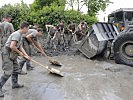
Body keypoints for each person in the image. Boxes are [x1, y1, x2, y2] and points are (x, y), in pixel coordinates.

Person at [0, 21, 30, 97]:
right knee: (8, 72)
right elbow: (12, 46)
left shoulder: (20, 35)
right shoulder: (17, 34)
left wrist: (26, 55)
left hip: (12, 53)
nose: (28, 30)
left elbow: (20, 46)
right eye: (28, 28)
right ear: (24, 28)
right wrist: (20, 53)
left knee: (16, 69)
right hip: (7, 52)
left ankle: (15, 83)